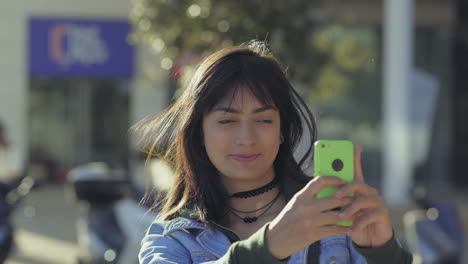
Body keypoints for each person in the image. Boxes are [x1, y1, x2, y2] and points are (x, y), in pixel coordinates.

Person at [135, 41, 413, 263]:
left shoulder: (338, 219)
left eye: (263, 120)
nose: (246, 138)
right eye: (227, 121)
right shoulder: (173, 237)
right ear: (199, 133)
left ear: (282, 129)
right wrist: (267, 248)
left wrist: (384, 253)